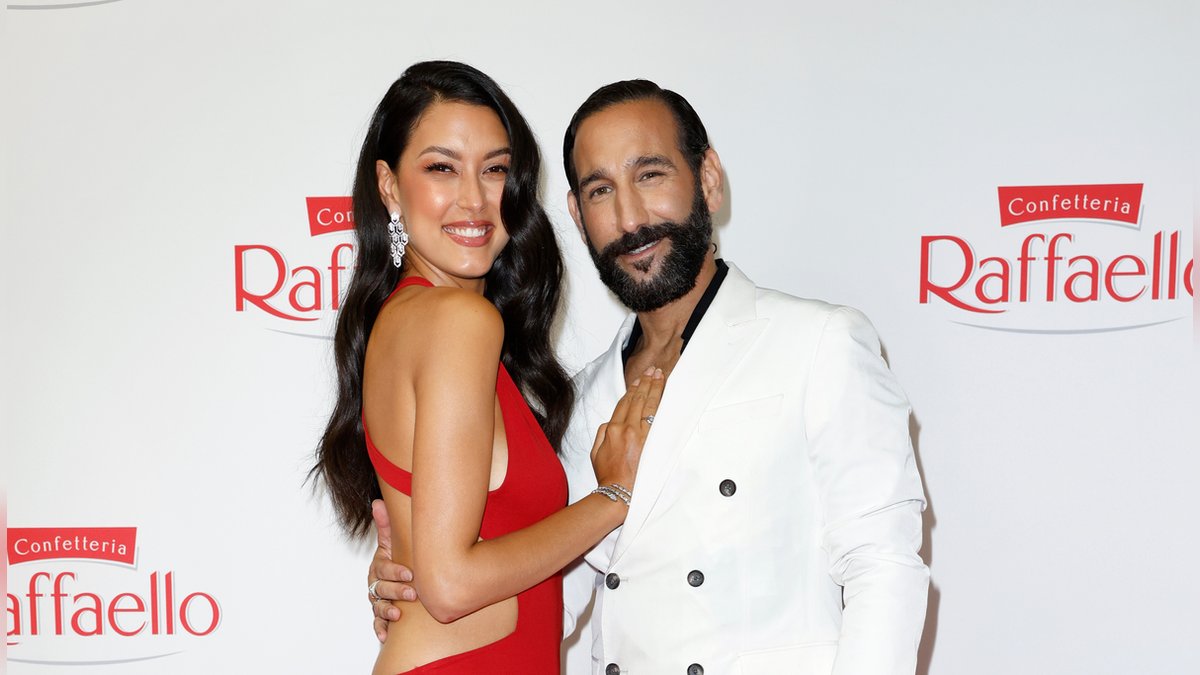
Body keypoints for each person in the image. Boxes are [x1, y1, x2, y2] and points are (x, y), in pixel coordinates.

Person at [370, 78, 930, 675]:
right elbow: (550, 591)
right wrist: (410, 580)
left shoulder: (818, 343)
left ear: (707, 179)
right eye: (600, 190)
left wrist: (436, 581)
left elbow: (884, 566)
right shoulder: (582, 399)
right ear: (577, 217)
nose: (630, 218)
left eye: (651, 175)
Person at [312, 61, 664, 675]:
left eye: (495, 169)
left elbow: (446, 563)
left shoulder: (406, 317)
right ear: (390, 187)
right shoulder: (456, 322)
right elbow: (450, 586)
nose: (475, 199)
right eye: (442, 167)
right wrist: (614, 497)